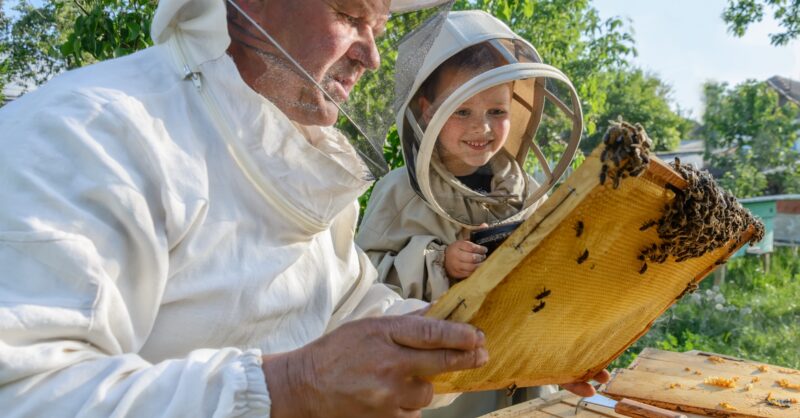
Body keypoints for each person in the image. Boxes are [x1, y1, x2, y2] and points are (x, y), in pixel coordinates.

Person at [0, 1, 607, 417]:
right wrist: (291, 385)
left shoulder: (295, 162)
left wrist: (527, 344)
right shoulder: (88, 132)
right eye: (348, 14)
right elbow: (23, 391)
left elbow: (364, 312)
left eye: (376, 22)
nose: (371, 55)